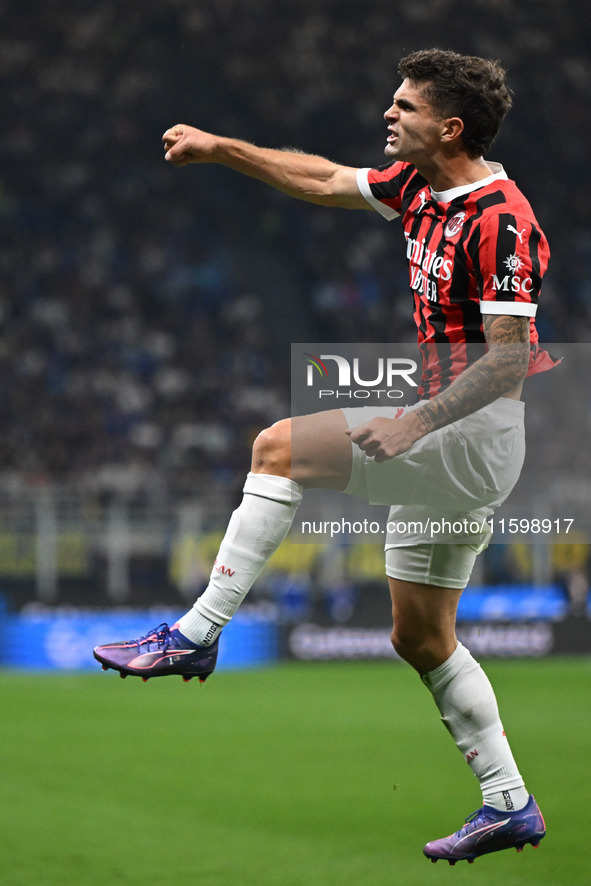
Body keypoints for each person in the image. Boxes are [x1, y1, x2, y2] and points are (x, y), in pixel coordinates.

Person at [94, 49, 551, 864]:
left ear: (448, 127)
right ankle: (508, 801)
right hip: (450, 434)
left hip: (469, 433)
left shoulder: (500, 219)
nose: (389, 114)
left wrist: (416, 424)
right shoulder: (417, 187)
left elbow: (510, 358)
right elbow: (321, 180)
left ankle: (196, 633)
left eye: (403, 107)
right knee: (420, 639)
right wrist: (220, 148)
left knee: (277, 445)